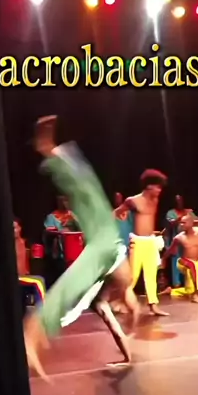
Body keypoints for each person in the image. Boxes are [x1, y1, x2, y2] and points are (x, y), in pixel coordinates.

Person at [23, 116, 139, 380]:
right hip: (106, 248)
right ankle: (33, 330)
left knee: (86, 190)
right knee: (86, 191)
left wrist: (131, 317)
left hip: (107, 250)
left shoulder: (110, 267)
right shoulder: (108, 261)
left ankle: (34, 329)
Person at [121, 169, 169, 316]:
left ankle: (153, 306)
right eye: (158, 187)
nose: (160, 190)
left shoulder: (155, 200)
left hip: (150, 242)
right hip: (138, 242)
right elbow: (118, 212)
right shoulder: (132, 201)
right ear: (149, 186)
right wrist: (120, 216)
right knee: (133, 276)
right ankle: (122, 302)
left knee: (151, 275)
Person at [162, 212, 198, 303]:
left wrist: (195, 219)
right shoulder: (179, 237)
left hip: (196, 262)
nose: (181, 225)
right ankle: (195, 295)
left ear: (191, 223)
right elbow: (170, 250)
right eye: (181, 223)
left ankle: (172, 291)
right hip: (183, 262)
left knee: (189, 289)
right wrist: (163, 259)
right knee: (193, 266)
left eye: (184, 223)